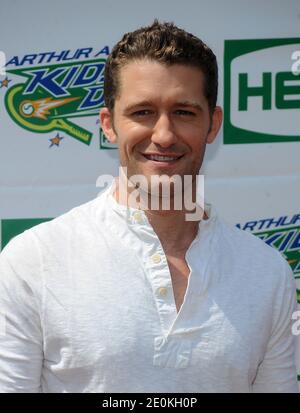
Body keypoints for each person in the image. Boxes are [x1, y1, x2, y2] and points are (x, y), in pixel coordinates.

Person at [0, 20, 298, 393]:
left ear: (213, 124)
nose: (163, 135)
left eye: (184, 112)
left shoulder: (266, 272)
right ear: (109, 125)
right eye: (142, 112)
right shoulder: (34, 260)